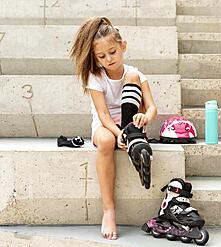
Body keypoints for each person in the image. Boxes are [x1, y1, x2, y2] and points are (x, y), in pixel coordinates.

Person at [70, 16, 157, 240]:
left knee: (133, 76)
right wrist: (119, 134)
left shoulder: (136, 73)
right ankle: (109, 210)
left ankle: (134, 140)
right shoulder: (95, 77)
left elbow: (152, 108)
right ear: (95, 58)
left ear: (123, 46)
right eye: (101, 56)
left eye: (113, 52)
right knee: (107, 141)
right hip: (107, 127)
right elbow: (103, 114)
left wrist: (143, 117)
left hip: (131, 124)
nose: (108, 59)